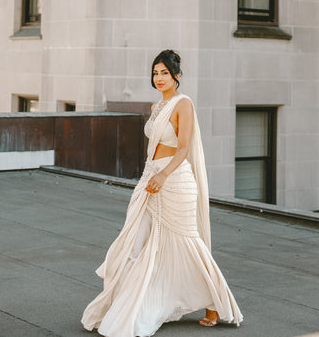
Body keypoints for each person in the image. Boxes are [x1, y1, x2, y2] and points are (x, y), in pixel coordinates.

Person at [81, 49, 243, 337]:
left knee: (188, 243)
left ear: (177, 76)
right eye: (155, 73)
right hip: (151, 177)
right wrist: (150, 176)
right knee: (135, 242)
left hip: (175, 180)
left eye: (165, 73)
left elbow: (183, 148)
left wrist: (163, 175)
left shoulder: (184, 104)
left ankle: (214, 304)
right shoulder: (157, 107)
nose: (159, 78)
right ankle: (133, 302)